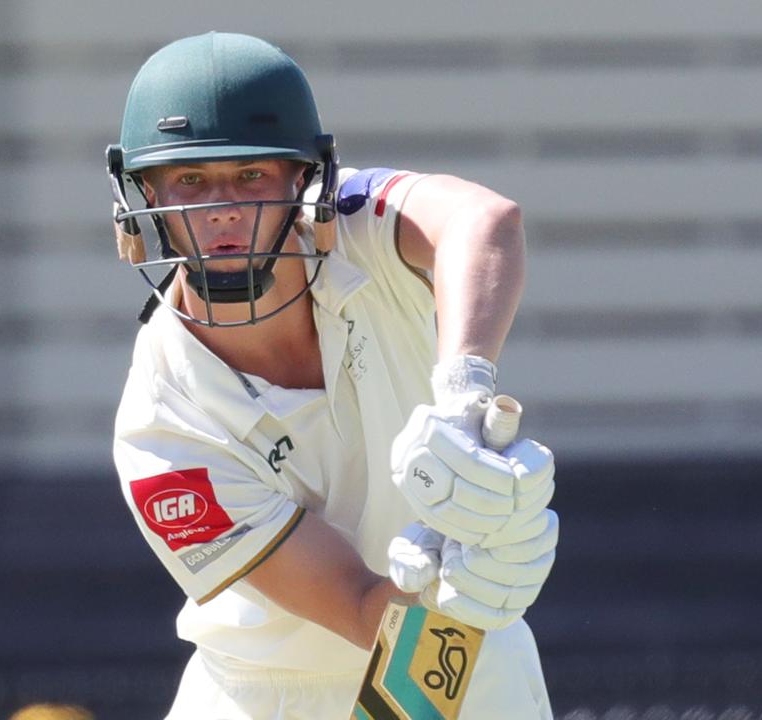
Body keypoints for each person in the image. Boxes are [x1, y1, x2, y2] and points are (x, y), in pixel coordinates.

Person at [107, 32, 559, 719]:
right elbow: (357, 604)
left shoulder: (360, 225)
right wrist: (465, 569)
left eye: (252, 174)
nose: (224, 208)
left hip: (458, 659)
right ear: (145, 195)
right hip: (257, 693)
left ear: (303, 181)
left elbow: (487, 220)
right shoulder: (159, 426)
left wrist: (464, 394)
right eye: (191, 180)